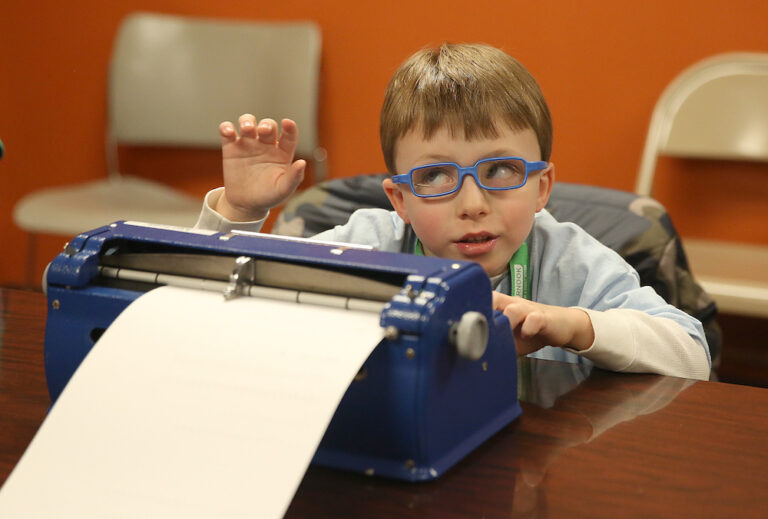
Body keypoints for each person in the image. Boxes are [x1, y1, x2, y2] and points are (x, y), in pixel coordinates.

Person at [194, 43, 711, 380]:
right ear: (400, 199)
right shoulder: (371, 241)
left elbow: (693, 354)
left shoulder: (568, 260)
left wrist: (577, 325)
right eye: (435, 177)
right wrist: (238, 210)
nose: (472, 205)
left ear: (541, 187)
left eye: (502, 170)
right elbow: (222, 309)